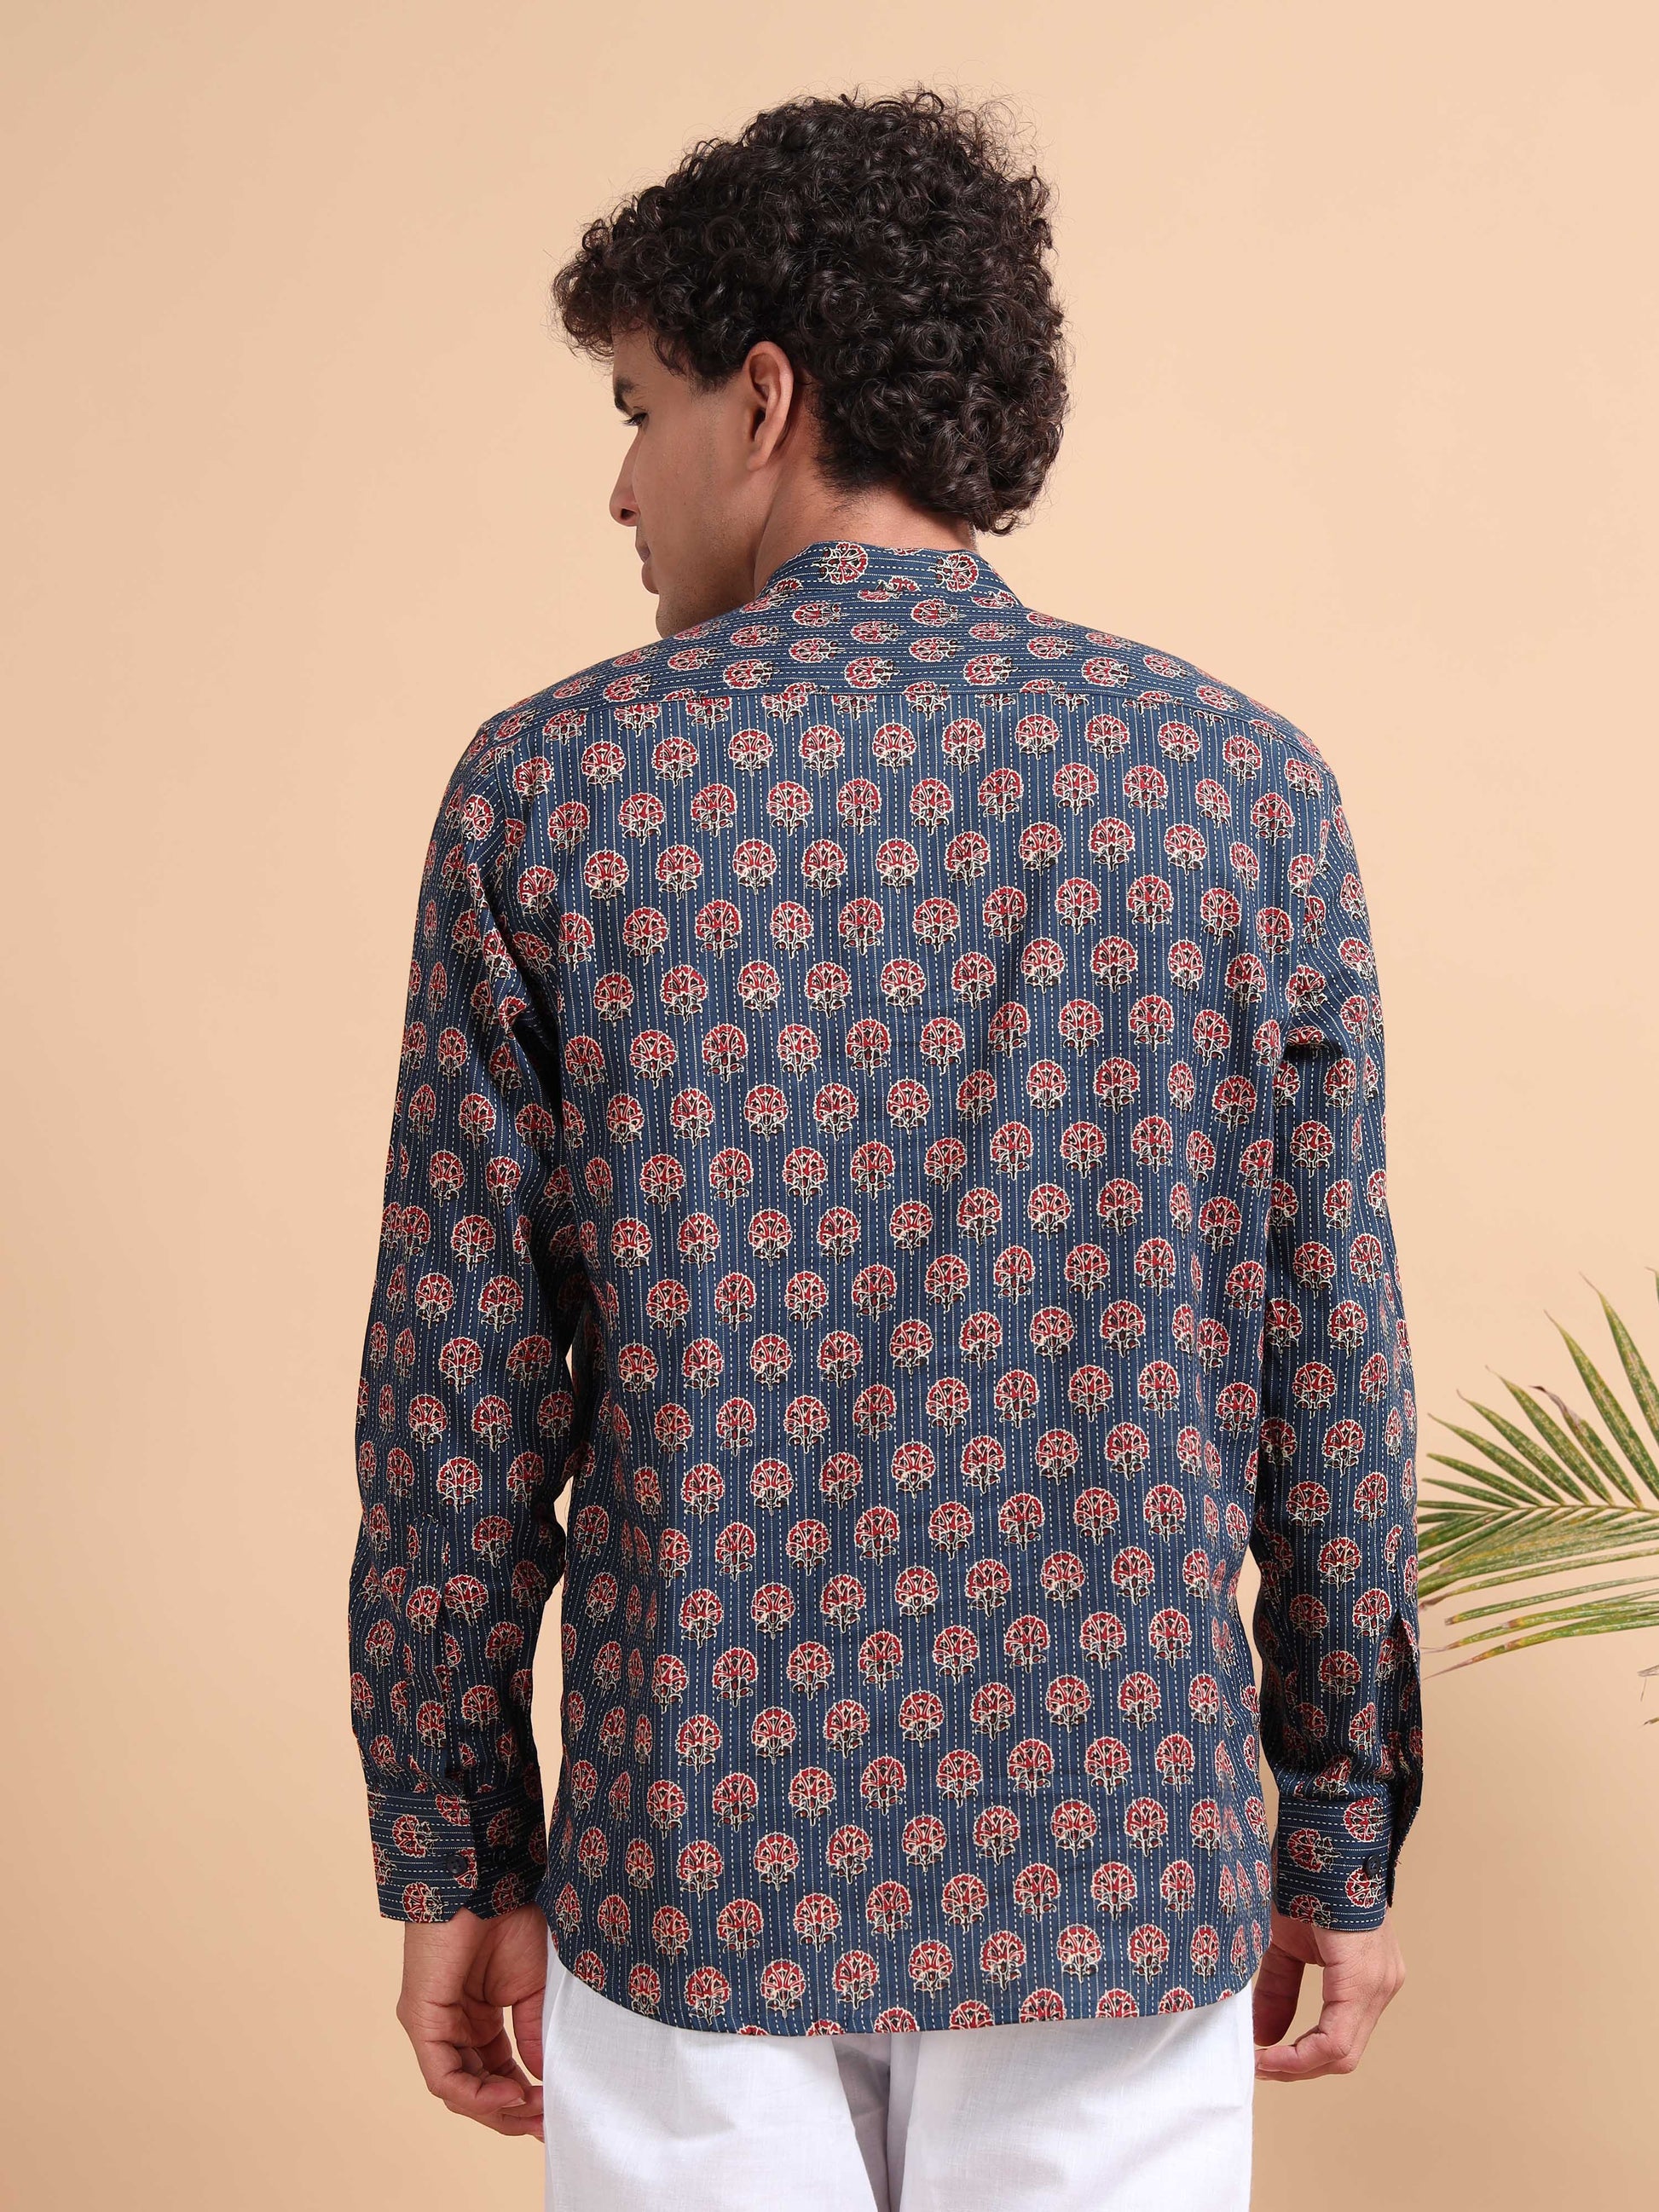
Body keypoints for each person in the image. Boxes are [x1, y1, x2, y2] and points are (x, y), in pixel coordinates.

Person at [345, 84, 1423, 2211]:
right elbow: (1331, 1373)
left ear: (764, 401)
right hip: (1117, 1863)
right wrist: (1337, 1821)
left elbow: (455, 1406)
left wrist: (453, 1844)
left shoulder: (550, 796)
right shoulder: (1239, 792)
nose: (619, 482)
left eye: (639, 406)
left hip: (691, 1862)